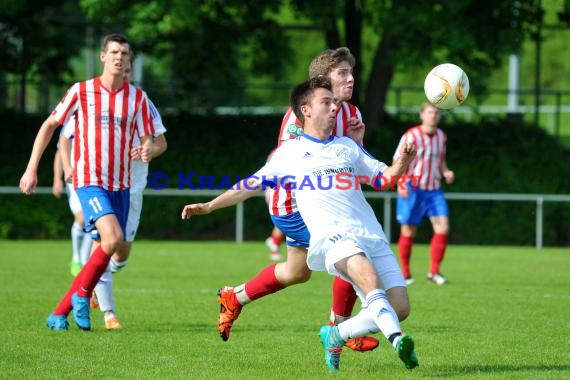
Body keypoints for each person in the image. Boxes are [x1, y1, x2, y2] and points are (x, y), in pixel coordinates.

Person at [181, 77, 419, 371]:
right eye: (327, 102)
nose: (335, 108)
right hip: (334, 238)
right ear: (305, 110)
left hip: (370, 233)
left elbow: (385, 179)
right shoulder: (290, 153)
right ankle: (398, 341)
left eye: (334, 103)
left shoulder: (346, 146)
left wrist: (403, 162)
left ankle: (337, 333)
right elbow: (249, 185)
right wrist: (209, 205)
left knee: (400, 307)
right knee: (367, 277)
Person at [215, 47, 382, 352]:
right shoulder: (299, 115)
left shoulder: (353, 114)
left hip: (325, 205)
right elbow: (291, 167)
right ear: (322, 80)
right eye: (342, 73)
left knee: (296, 272)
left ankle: (233, 297)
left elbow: (353, 170)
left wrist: (359, 144)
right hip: (293, 205)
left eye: (351, 72)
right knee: (349, 249)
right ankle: (342, 331)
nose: (351, 78)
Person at [19, 33, 155, 331]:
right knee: (112, 239)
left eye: (125, 53)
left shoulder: (138, 98)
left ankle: (58, 313)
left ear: (129, 60)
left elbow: (151, 141)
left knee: (105, 251)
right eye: (114, 52)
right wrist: (31, 169)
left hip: (121, 185)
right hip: (89, 181)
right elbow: (50, 126)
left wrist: (147, 149)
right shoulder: (81, 92)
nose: (120, 57)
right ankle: (84, 296)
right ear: (103, 56)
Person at [87, 60, 168, 330]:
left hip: (132, 187)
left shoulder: (141, 102)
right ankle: (109, 313)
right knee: (106, 243)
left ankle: (91, 280)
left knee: (120, 256)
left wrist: (148, 151)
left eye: (128, 69)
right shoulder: (96, 101)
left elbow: (161, 143)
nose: (124, 72)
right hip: (101, 183)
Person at [394, 102, 454, 286]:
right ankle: (405, 273)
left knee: (443, 227)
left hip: (434, 189)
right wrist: (401, 182)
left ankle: (434, 272)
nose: (434, 115)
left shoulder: (441, 136)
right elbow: (398, 159)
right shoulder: (411, 135)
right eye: (430, 112)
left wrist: (446, 172)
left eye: (436, 112)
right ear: (422, 115)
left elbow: (440, 160)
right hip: (413, 187)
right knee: (409, 229)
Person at [52, 131, 93, 276]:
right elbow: (60, 153)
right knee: (81, 218)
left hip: (94, 178)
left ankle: (84, 260)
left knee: (93, 220)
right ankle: (76, 258)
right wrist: (57, 179)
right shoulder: (72, 122)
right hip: (74, 179)